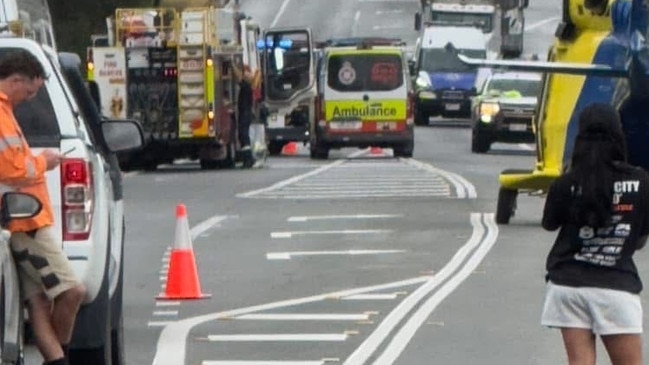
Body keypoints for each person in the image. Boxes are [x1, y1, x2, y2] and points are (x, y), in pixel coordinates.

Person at [541, 103, 649, 365]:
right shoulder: (640, 181)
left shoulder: (566, 182)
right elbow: (641, 238)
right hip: (616, 287)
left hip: (567, 285)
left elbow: (549, 224)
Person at [0, 50, 86, 365]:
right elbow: (10, 169)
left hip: (23, 221)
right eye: (30, 90)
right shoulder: (0, 113)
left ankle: (56, 360)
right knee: (72, 291)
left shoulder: (6, 111)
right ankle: (60, 357)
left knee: (37, 302)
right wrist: (44, 162)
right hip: (26, 224)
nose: (30, 97)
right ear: (16, 80)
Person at [233, 63, 260, 168]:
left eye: (248, 74)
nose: (246, 74)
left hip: (245, 114)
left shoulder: (246, 87)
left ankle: (248, 159)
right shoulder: (248, 86)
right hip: (246, 113)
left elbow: (239, 77)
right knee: (243, 135)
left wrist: (232, 64)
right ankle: (248, 159)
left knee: (243, 135)